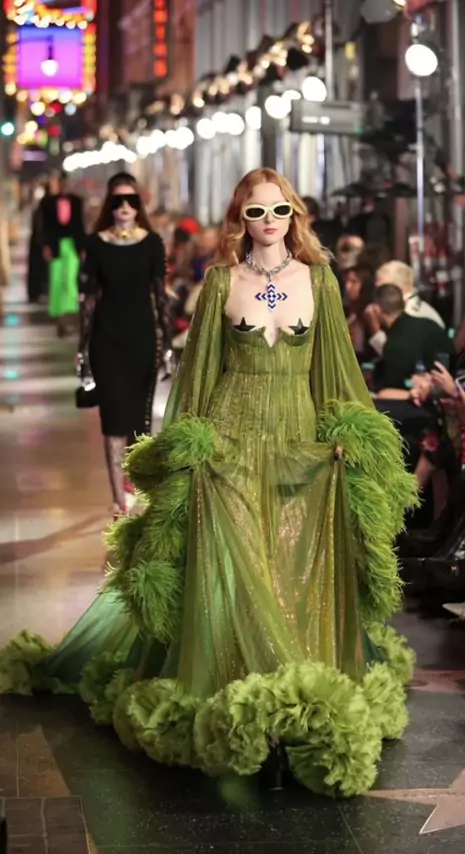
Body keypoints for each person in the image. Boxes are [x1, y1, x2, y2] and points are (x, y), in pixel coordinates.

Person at [0, 169, 417, 798]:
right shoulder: (222, 281)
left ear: (294, 214)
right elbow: (198, 375)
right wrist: (189, 448)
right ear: (238, 218)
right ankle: (240, 687)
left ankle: (293, 692)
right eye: (256, 212)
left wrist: (343, 434)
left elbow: (336, 369)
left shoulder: (321, 281)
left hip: (299, 443)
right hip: (230, 440)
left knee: (288, 562)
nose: (269, 221)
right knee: (238, 559)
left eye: (279, 210)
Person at [77, 172, 171, 517]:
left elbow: (160, 295)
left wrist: (167, 341)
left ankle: (134, 484)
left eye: (131, 200)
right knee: (114, 419)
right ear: (109, 204)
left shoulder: (152, 243)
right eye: (118, 200)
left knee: (139, 422)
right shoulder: (96, 244)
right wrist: (82, 349)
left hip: (142, 340)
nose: (125, 207)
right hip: (107, 341)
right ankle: (119, 499)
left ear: (139, 204)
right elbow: (88, 299)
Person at [373, 285, 452, 393]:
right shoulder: (430, 324)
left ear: (376, 310)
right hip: (453, 388)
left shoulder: (394, 345)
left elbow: (388, 388)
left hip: (424, 398)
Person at [366, 260, 445, 357]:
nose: (377, 297)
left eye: (383, 290)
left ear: (402, 290)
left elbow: (398, 357)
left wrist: (375, 331)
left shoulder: (414, 315)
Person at [42, 172, 86, 336]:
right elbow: (45, 227)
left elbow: (80, 225)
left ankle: (70, 313)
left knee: (71, 278)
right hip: (56, 245)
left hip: (72, 245)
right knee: (56, 279)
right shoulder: (48, 203)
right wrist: (46, 246)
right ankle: (59, 313)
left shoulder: (77, 201)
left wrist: (83, 247)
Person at [343, 260, 376, 361]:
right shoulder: (345, 311)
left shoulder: (372, 312)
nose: (347, 287)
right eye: (346, 282)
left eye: (354, 282)